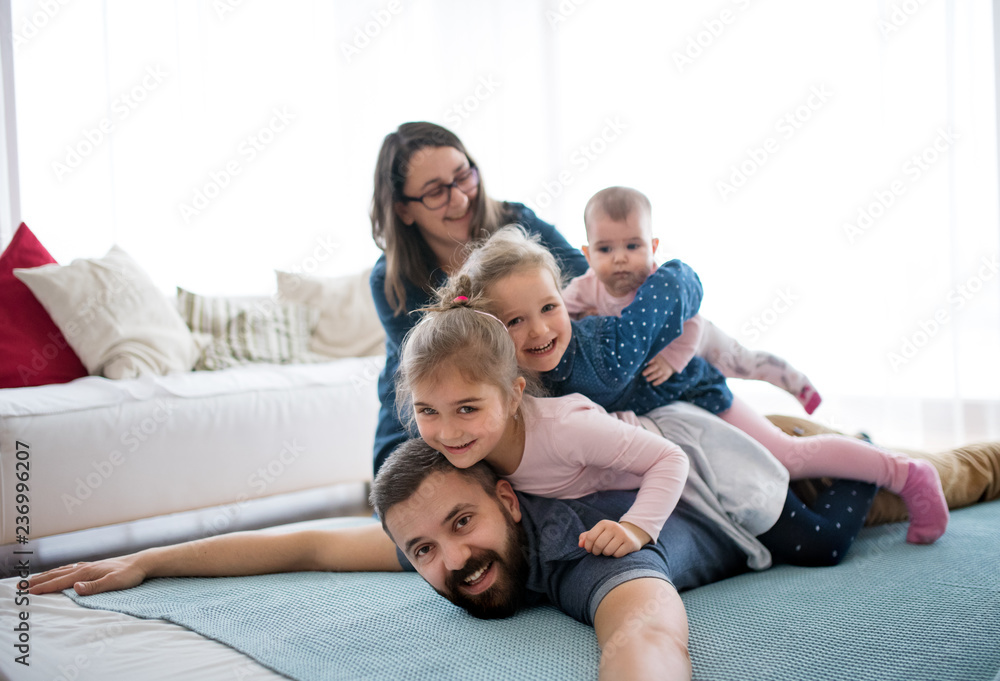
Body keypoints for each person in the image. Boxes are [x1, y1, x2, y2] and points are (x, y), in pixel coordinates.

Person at [28, 437, 761, 681]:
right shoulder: (449, 539)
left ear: (508, 499)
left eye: (462, 521)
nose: (455, 559)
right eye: (422, 549)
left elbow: (647, 634)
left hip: (740, 492)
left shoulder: (583, 550)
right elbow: (307, 542)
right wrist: (150, 560)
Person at [453, 224, 949, 544]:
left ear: (562, 300)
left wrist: (672, 342)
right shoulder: (510, 380)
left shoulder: (604, 350)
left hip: (695, 392)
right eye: (514, 322)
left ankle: (903, 473)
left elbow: (676, 280)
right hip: (662, 424)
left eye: (548, 309)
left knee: (787, 457)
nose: (539, 330)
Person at [397, 290, 876, 566]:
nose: (447, 431)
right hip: (648, 459)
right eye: (427, 411)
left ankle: (861, 455)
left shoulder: (566, 430)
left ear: (514, 395)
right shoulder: (455, 450)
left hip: (691, 449)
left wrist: (636, 529)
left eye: (466, 409)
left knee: (820, 545)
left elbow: (670, 460)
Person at [369, 122, 589, 476]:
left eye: (463, 176)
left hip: (513, 399)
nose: (460, 198)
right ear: (403, 210)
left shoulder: (516, 221)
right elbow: (444, 377)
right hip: (433, 415)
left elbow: (588, 286)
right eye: (435, 192)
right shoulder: (390, 281)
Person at [562, 186, 822, 414]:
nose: (620, 258)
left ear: (652, 247)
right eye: (605, 249)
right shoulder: (585, 287)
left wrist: (672, 360)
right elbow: (559, 312)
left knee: (745, 365)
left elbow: (692, 323)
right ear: (587, 253)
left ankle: (797, 383)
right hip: (675, 365)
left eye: (633, 246)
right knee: (714, 386)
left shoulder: (657, 281)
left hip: (701, 341)